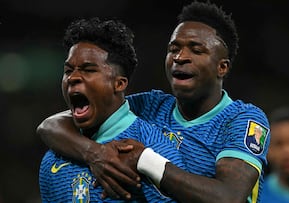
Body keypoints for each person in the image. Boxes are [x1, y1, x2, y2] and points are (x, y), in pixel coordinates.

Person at [37, 1, 271, 202]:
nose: (180, 57)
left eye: (196, 50)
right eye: (174, 49)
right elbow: (51, 125)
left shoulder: (242, 120)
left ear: (222, 67)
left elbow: (229, 198)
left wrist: (145, 159)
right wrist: (95, 153)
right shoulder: (151, 105)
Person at [38, 17, 188, 202]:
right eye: (68, 70)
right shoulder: (52, 160)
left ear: (119, 84)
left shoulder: (151, 146)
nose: (72, 78)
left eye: (88, 70)